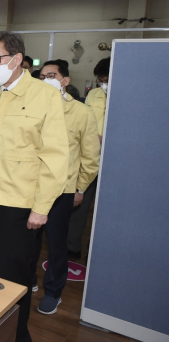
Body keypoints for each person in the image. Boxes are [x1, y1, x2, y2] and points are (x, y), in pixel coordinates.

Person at [0, 31, 69, 342]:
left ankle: (17, 336)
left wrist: (41, 207)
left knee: (13, 279)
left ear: (18, 59)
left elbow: (55, 157)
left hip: (19, 205)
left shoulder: (44, 96)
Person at [32, 60, 100, 314]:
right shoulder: (33, 108)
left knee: (56, 243)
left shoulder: (81, 113)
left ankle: (53, 291)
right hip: (30, 187)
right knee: (29, 239)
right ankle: (29, 280)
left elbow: (91, 157)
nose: (46, 79)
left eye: (52, 75)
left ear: (65, 81)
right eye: (42, 76)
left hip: (62, 190)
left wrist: (80, 188)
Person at [67, 57, 109, 258]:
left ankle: (101, 252)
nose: (104, 85)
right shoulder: (94, 95)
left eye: (107, 80)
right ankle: (72, 246)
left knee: (107, 211)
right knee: (80, 204)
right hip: (90, 157)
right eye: (101, 81)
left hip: (116, 161)